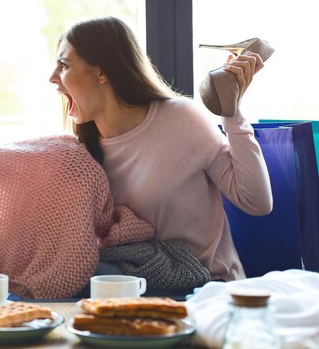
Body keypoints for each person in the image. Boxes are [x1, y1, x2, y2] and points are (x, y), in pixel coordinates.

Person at [49, 16, 272, 282]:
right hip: (135, 292)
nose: (53, 78)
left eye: (64, 65)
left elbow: (257, 202)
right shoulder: (83, 153)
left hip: (207, 288)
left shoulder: (182, 120)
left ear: (102, 72)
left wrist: (231, 113)